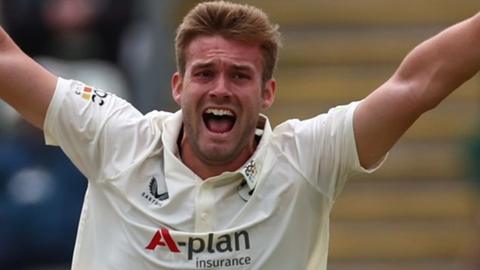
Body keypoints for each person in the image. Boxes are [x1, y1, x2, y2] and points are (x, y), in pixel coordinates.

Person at [0, 1, 478, 269]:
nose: (221, 88)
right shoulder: (118, 138)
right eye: (205, 73)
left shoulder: (307, 158)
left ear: (268, 91)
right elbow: (9, 62)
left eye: (240, 75)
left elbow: (419, 83)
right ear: (178, 85)